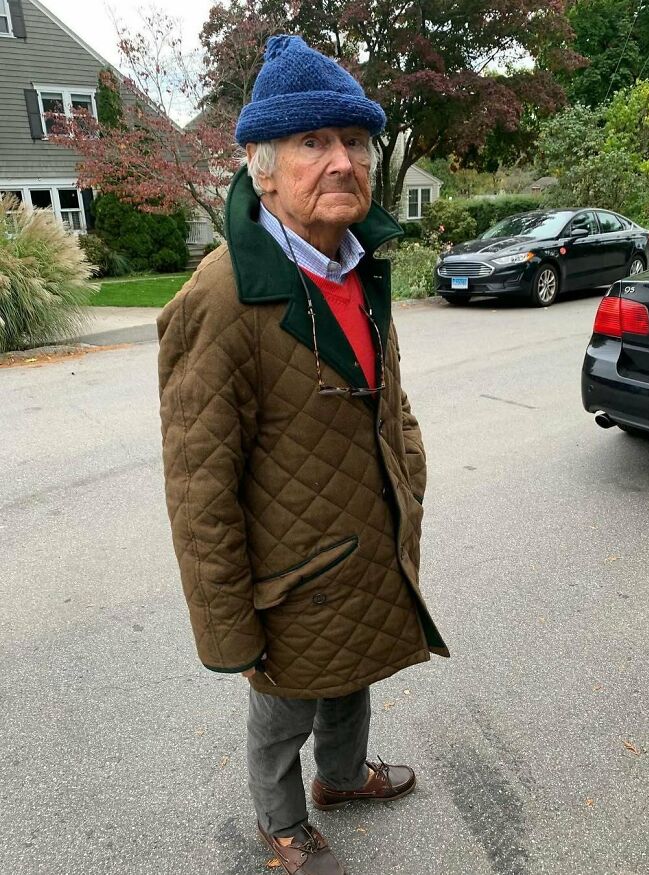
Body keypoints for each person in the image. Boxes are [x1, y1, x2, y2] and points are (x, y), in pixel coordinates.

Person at [157, 34, 449, 875]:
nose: (341, 161)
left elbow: (390, 398)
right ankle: (281, 820)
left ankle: (343, 777)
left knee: (356, 668)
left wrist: (410, 467)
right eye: (312, 142)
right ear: (263, 168)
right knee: (286, 706)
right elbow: (199, 486)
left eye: (353, 140)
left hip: (362, 546)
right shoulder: (221, 297)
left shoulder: (359, 267)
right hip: (286, 577)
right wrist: (229, 626)